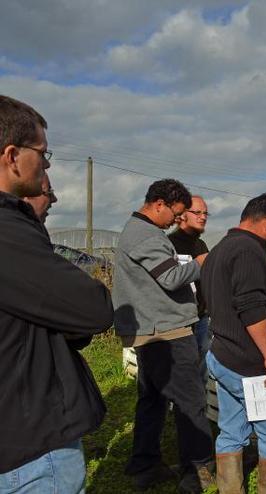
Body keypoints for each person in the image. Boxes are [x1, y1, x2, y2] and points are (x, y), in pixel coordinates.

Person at [0, 95, 113, 492]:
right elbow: (94, 309)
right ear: (13, 156)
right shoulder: (8, 230)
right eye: (43, 155)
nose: (46, 166)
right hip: (31, 446)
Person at [113, 179, 214, 493]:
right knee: (190, 403)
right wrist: (200, 264)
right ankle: (197, 471)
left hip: (150, 331)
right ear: (159, 204)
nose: (176, 220)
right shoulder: (146, 235)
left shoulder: (137, 230)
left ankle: (145, 466)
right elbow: (170, 277)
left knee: (152, 401)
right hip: (166, 333)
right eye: (176, 212)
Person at [201, 193, 266, 494]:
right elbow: (251, 308)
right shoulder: (249, 251)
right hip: (250, 362)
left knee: (231, 429)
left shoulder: (220, 249)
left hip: (222, 353)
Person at [169, 194, 211, 386]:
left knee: (201, 363)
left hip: (201, 317)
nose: (203, 217)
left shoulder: (201, 245)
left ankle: (198, 404)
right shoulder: (170, 244)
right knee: (182, 365)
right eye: (197, 212)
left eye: (205, 213)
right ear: (181, 215)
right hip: (179, 320)